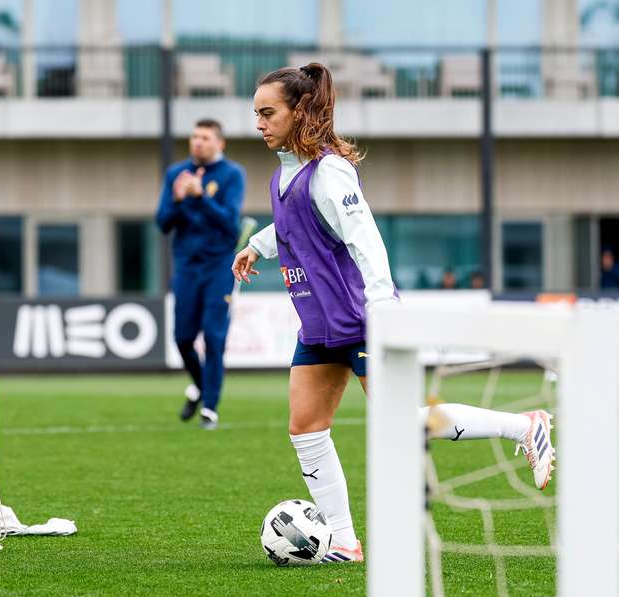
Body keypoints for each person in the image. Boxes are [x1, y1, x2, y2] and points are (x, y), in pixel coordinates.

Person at [233, 64, 555, 563]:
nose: (258, 122)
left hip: (359, 319)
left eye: (267, 112)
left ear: (299, 112)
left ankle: (525, 426)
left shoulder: (330, 170)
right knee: (306, 428)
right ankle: (342, 540)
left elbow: (365, 240)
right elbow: (295, 225)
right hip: (318, 322)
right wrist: (258, 244)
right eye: (256, 113)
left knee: (404, 421)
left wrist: (382, 307)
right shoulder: (284, 174)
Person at [156, 118, 246, 430]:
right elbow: (163, 222)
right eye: (195, 137)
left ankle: (210, 408)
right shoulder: (175, 174)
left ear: (219, 143)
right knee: (182, 338)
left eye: (205, 138)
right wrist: (180, 200)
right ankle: (200, 386)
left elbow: (230, 224)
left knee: (213, 335)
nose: (198, 142)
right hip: (186, 267)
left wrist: (200, 197)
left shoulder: (232, 175)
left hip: (219, 266)